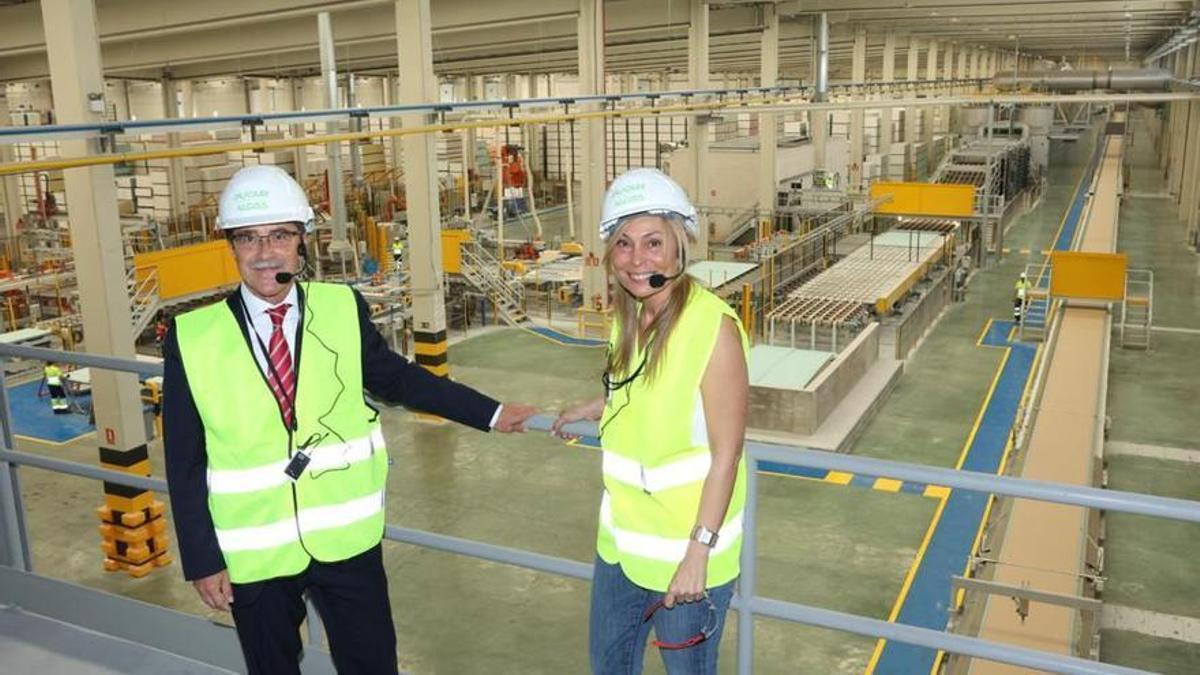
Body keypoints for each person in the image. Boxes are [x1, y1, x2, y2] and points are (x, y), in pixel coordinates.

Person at [162, 165, 537, 675]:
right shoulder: (192, 336)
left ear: (302, 243)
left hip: (345, 542)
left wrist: (491, 412)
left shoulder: (341, 308)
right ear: (231, 246)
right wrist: (203, 559)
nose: (265, 252)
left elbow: (399, 380)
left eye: (279, 235)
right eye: (249, 238)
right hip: (255, 552)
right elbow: (184, 458)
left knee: (372, 664)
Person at [552, 168, 750, 674]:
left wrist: (697, 554)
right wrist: (600, 404)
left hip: (685, 560)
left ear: (680, 245)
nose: (638, 260)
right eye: (623, 244)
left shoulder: (713, 329)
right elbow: (648, 390)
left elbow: (727, 454)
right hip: (621, 546)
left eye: (653, 242)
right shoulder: (628, 316)